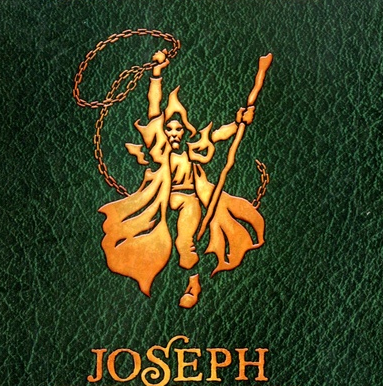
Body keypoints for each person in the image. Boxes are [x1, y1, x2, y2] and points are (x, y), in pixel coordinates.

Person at [99, 49, 265, 308]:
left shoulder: (193, 149)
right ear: (163, 131)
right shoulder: (160, 150)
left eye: (178, 129)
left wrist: (239, 122)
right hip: (160, 200)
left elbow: (220, 135)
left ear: (185, 130)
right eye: (169, 128)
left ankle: (192, 283)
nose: (174, 132)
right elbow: (154, 108)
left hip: (190, 199)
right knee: (155, 240)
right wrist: (156, 74)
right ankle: (161, 275)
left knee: (186, 243)